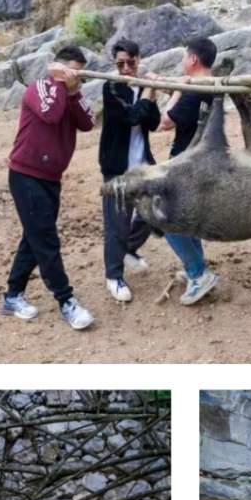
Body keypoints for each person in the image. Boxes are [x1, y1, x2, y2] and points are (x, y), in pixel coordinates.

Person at [0, 44, 96, 331]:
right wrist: (58, 82)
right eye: (73, 72)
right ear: (59, 68)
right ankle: (66, 301)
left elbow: (88, 123)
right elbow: (51, 114)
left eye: (79, 75)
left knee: (34, 237)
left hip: (51, 179)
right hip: (25, 175)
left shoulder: (70, 95)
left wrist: (74, 91)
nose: (75, 79)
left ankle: (12, 296)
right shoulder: (38, 88)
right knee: (46, 239)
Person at [147, 36, 219, 305]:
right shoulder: (210, 84)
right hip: (203, 160)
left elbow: (167, 121)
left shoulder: (194, 89)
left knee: (165, 217)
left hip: (186, 163)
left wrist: (177, 89)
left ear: (193, 59)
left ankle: (198, 273)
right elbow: (186, 102)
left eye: (183, 57)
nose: (181, 62)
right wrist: (172, 85)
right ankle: (196, 268)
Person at [98, 38, 160, 305]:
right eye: (120, 63)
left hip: (142, 163)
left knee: (155, 211)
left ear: (138, 59)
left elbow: (153, 123)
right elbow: (131, 117)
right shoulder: (111, 87)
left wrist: (152, 94)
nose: (125, 68)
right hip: (117, 168)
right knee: (117, 223)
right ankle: (114, 276)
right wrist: (148, 91)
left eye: (130, 62)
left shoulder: (140, 87)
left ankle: (129, 248)